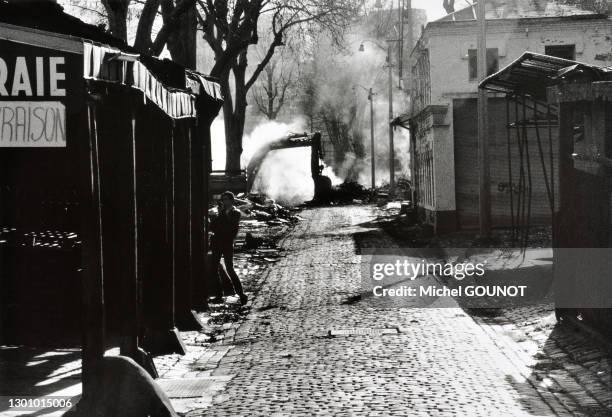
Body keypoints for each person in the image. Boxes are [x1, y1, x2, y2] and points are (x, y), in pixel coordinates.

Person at [209, 191, 248, 305]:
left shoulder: (236, 213)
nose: (224, 201)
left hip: (227, 243)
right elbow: (213, 227)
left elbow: (231, 227)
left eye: (226, 199)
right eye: (223, 199)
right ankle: (218, 295)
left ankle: (241, 294)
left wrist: (221, 216)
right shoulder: (219, 212)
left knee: (230, 269)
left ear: (231, 200)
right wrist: (217, 217)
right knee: (214, 269)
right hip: (217, 242)